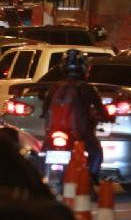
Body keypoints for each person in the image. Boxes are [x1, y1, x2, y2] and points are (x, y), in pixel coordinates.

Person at [41, 48, 107, 183]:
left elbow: (45, 108)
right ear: (84, 68)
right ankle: (92, 180)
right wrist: (106, 117)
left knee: (42, 152)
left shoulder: (54, 87)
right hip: (79, 133)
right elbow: (101, 110)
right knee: (96, 152)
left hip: (53, 132)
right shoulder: (87, 88)